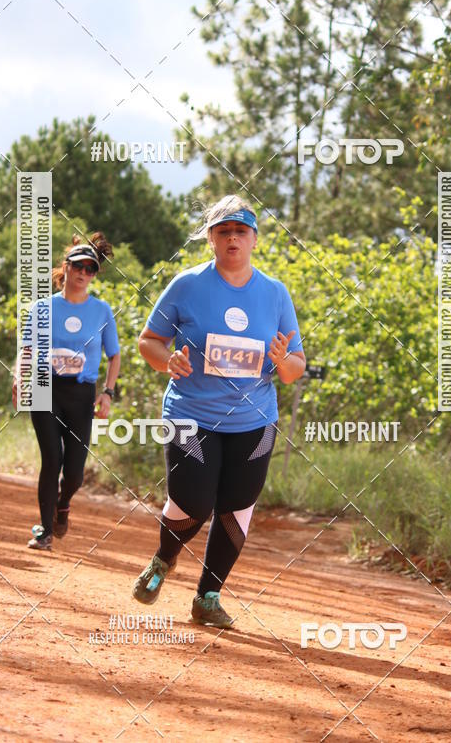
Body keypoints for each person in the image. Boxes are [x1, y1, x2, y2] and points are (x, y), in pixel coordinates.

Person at [132, 195, 305, 627]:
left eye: (241, 231)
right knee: (193, 502)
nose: (233, 238)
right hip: (191, 414)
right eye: (224, 231)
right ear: (210, 238)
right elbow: (149, 341)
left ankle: (208, 597)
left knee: (237, 506)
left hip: (254, 420)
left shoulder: (275, 293)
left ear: (254, 239)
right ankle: (163, 558)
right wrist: (167, 361)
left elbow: (294, 368)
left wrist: (282, 359)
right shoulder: (186, 285)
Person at [12, 233, 121, 551]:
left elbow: (114, 356)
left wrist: (107, 393)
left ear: (94, 274)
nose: (84, 273)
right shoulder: (42, 308)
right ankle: (45, 532)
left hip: (81, 394)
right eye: (79, 266)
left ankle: (63, 504)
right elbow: (27, 348)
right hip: (45, 387)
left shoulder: (102, 311)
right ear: (67, 267)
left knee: (74, 474)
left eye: (90, 269)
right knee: (52, 459)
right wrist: (19, 377)